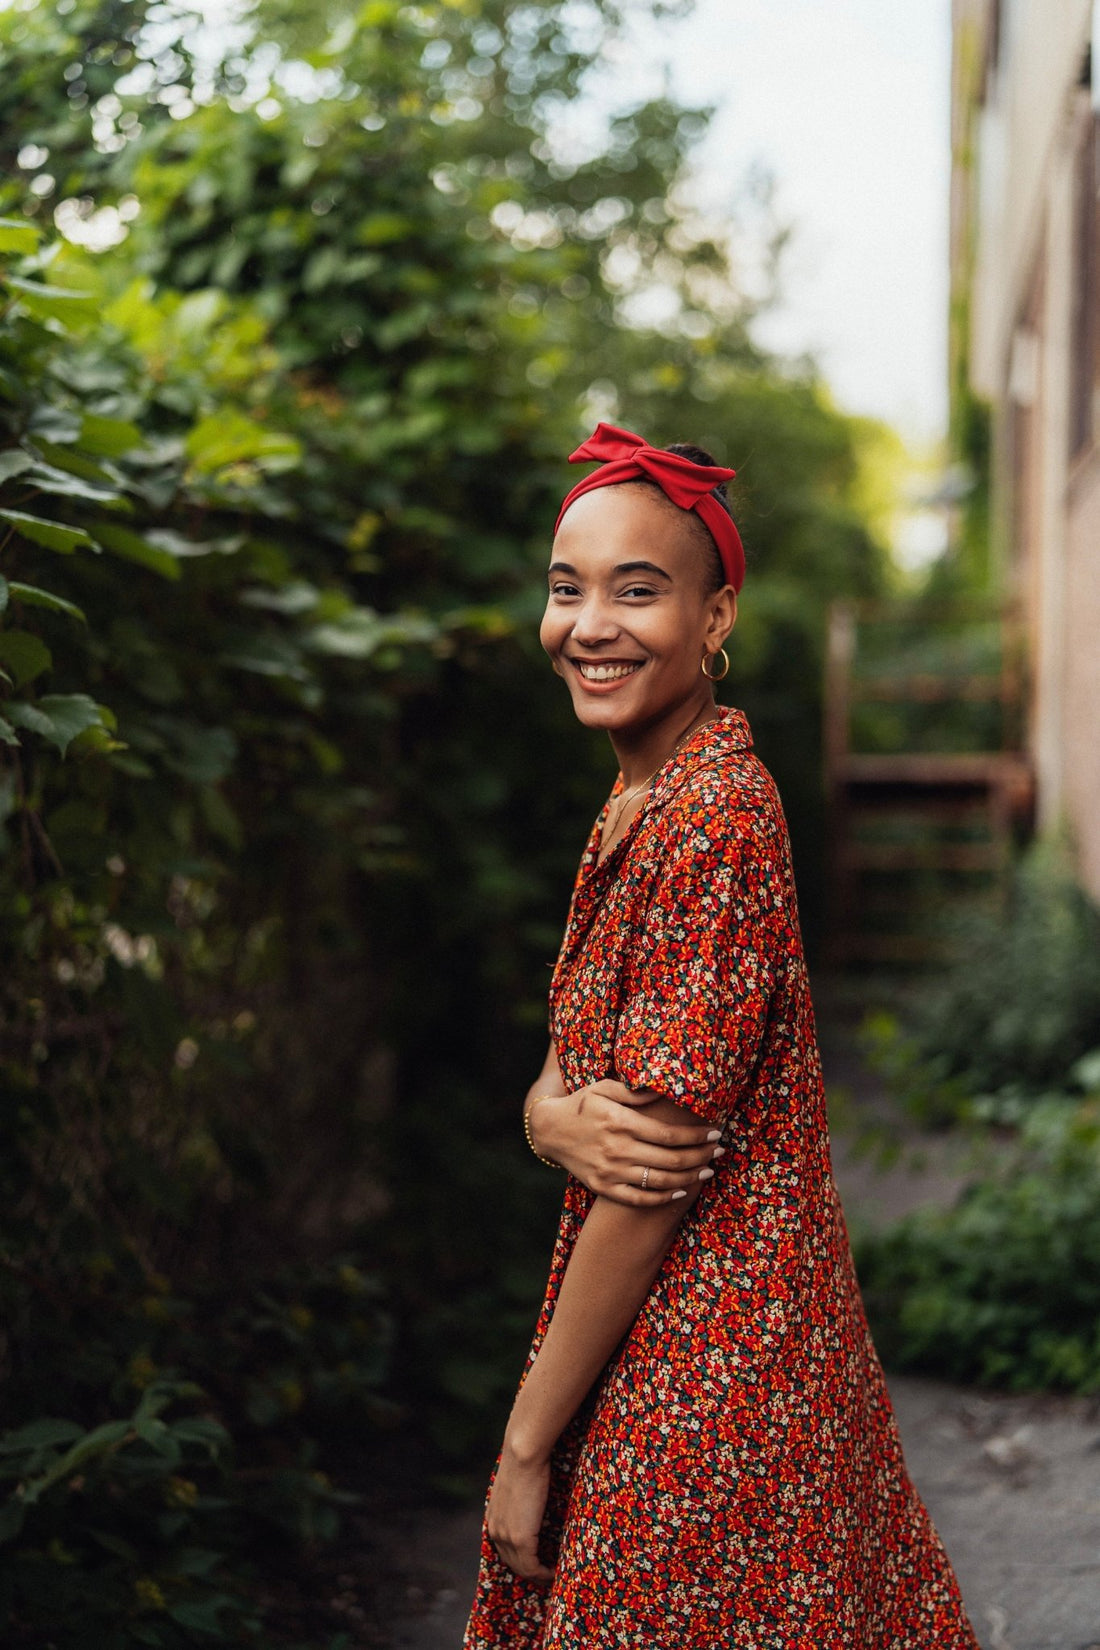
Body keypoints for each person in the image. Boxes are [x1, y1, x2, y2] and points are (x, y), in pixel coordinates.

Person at [462, 423, 979, 1649]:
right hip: (665, 1336)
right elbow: (580, 1066)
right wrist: (545, 1113)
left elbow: (651, 1171)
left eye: (636, 590)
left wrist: (524, 1447)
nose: (589, 624)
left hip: (711, 1367)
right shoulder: (642, 791)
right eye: (565, 587)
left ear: (713, 617)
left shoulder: (712, 819)